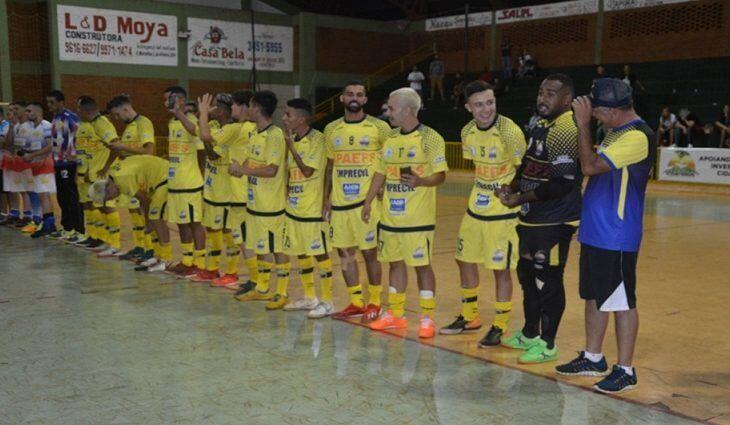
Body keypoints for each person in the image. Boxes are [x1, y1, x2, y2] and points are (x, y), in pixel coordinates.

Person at [556, 78, 655, 394]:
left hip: (617, 234)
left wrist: (583, 125)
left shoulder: (638, 136)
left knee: (622, 301)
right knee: (595, 296)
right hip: (596, 231)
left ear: (613, 111)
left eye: (596, 111)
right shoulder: (616, 131)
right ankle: (593, 357)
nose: (593, 115)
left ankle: (625, 370)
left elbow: (590, 166)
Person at [496, 74, 581, 364]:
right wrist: (512, 186)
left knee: (549, 280)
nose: (542, 98)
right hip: (531, 218)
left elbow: (562, 184)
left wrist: (519, 198)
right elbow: (529, 166)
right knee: (526, 275)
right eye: (541, 92)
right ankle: (530, 333)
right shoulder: (538, 123)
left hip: (555, 221)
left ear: (566, 99)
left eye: (551, 94)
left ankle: (548, 343)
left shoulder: (567, 129)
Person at [439, 80, 526, 347]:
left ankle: (499, 325)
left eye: (490, 102)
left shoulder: (510, 131)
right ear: (468, 107)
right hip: (475, 208)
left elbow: (526, 169)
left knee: (500, 270)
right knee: (463, 259)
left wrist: (510, 190)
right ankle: (469, 316)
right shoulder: (467, 132)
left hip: (503, 213)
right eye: (479, 104)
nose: (486, 109)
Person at [362, 87, 448, 339]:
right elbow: (379, 172)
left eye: (391, 108)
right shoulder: (390, 138)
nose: (387, 112)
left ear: (408, 110)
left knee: (422, 266)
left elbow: (441, 175)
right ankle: (396, 315)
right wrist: (368, 202)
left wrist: (421, 182)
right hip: (390, 219)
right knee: (395, 264)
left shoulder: (430, 138)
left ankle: (427, 318)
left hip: (417, 220)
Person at [322, 81, 391, 322]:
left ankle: (374, 301)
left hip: (366, 204)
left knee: (370, 254)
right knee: (345, 254)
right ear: (342, 98)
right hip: (340, 205)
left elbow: (390, 163)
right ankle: (355, 301)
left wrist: (382, 189)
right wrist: (326, 198)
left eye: (359, 94)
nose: (354, 97)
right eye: (349, 93)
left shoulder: (380, 128)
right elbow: (330, 167)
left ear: (364, 100)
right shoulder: (331, 129)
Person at [227, 91, 291, 310]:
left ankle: (281, 292)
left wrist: (242, 170)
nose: (247, 110)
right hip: (254, 203)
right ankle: (263, 288)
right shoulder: (255, 133)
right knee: (261, 247)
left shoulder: (275, 135)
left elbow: (272, 170)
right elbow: (251, 161)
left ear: (256, 108)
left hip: (271, 206)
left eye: (250, 106)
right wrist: (239, 167)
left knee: (277, 249)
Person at [279, 98, 335, 317]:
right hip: (294, 208)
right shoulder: (293, 138)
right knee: (301, 251)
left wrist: (291, 147)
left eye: (288, 115)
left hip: (312, 209)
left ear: (302, 119)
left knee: (320, 254)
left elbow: (308, 171)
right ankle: (309, 296)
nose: (284, 118)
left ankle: (328, 300)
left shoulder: (317, 140)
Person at [89, 155, 172, 272]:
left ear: (108, 190)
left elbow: (145, 200)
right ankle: (158, 255)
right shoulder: (113, 175)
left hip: (164, 176)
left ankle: (166, 259)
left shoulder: (122, 180)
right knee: (152, 218)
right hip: (156, 178)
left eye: (109, 198)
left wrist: (148, 222)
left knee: (155, 218)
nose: (114, 198)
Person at [104, 95, 156, 263]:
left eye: (118, 114)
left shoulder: (143, 123)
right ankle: (140, 247)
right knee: (134, 213)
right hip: (130, 178)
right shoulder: (128, 127)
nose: (117, 119)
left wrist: (123, 147)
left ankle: (151, 249)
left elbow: (149, 151)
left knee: (144, 212)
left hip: (142, 177)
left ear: (126, 109)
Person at [162, 86, 207, 277]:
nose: (167, 103)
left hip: (190, 183)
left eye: (170, 99)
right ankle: (187, 260)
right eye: (165, 100)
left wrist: (202, 178)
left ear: (181, 100)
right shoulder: (172, 122)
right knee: (181, 223)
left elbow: (201, 146)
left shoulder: (190, 120)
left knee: (194, 223)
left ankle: (200, 262)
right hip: (175, 183)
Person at [73, 96, 121, 254]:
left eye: (78, 108)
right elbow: (85, 152)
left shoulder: (102, 123)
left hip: (101, 175)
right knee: (93, 206)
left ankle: (114, 243)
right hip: (88, 174)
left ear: (84, 110)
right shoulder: (86, 125)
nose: (76, 111)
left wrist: (106, 167)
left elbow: (116, 146)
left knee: (107, 207)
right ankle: (97, 237)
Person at [46, 90, 82, 241]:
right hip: (58, 163)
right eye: (48, 102)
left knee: (71, 197)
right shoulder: (55, 118)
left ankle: (79, 229)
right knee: (61, 197)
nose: (49, 105)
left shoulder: (71, 118)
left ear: (61, 102)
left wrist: (77, 160)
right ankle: (67, 227)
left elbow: (80, 138)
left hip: (69, 163)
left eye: (52, 102)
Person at [20, 103, 57, 238]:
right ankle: (47, 223)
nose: (27, 113)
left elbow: (50, 146)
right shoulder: (30, 128)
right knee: (42, 195)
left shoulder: (46, 126)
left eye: (29, 111)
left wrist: (33, 156)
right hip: (35, 165)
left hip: (44, 164)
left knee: (44, 194)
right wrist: (25, 154)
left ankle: (49, 225)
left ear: (37, 111)